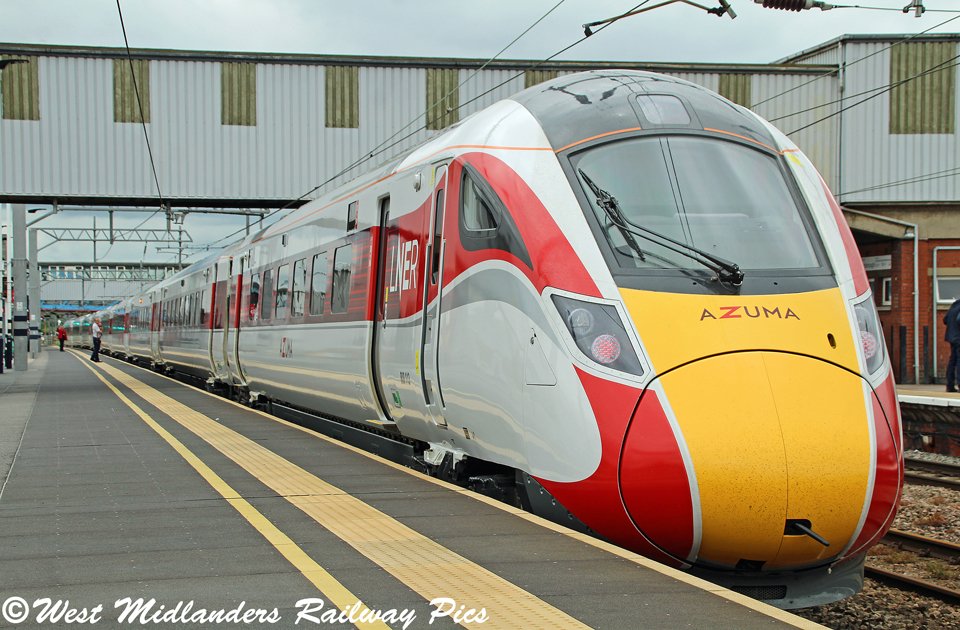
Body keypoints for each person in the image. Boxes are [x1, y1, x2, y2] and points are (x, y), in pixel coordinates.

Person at [945, 296, 960, 393]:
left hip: (951, 337)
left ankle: (950, 385)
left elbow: (945, 319)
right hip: (958, 337)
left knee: (952, 361)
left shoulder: (955, 304)